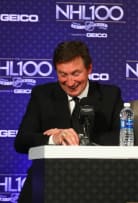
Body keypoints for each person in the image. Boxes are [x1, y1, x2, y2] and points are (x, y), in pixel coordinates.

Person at [14, 40, 124, 202]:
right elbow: (21, 141)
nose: (70, 82)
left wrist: (78, 139)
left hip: (97, 181)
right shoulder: (42, 95)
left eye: (76, 73)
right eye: (62, 74)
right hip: (49, 180)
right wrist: (54, 138)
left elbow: (123, 138)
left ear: (89, 69)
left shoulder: (110, 95)